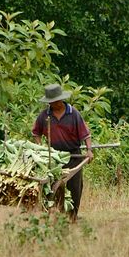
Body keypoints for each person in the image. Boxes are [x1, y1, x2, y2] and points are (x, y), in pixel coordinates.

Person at [32, 83, 93, 221]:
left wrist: (89, 150)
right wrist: (40, 146)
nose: (54, 104)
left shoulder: (73, 114)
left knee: (74, 187)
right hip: (54, 158)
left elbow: (86, 134)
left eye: (56, 101)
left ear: (61, 99)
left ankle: (73, 217)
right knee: (53, 187)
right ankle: (56, 215)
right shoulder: (44, 115)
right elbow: (35, 132)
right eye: (52, 102)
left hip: (73, 155)